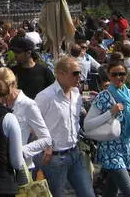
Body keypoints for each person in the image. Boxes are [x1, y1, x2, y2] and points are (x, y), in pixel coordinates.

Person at [85, 59, 130, 197]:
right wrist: (110, 112)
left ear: (127, 74)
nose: (118, 77)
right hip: (110, 150)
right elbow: (87, 125)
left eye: (122, 74)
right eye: (114, 74)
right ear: (108, 75)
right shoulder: (103, 97)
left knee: (111, 191)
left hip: (125, 147)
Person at [34, 56, 94, 197]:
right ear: (61, 74)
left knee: (88, 194)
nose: (79, 76)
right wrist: (46, 144)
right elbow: (33, 124)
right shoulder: (45, 96)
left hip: (75, 153)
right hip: (54, 158)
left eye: (80, 73)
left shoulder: (76, 94)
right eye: (75, 73)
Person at [0, 68, 52, 170]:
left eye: (4, 89)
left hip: (21, 168)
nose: (1, 93)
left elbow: (46, 139)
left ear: (12, 84)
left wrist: (20, 152)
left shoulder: (28, 105)